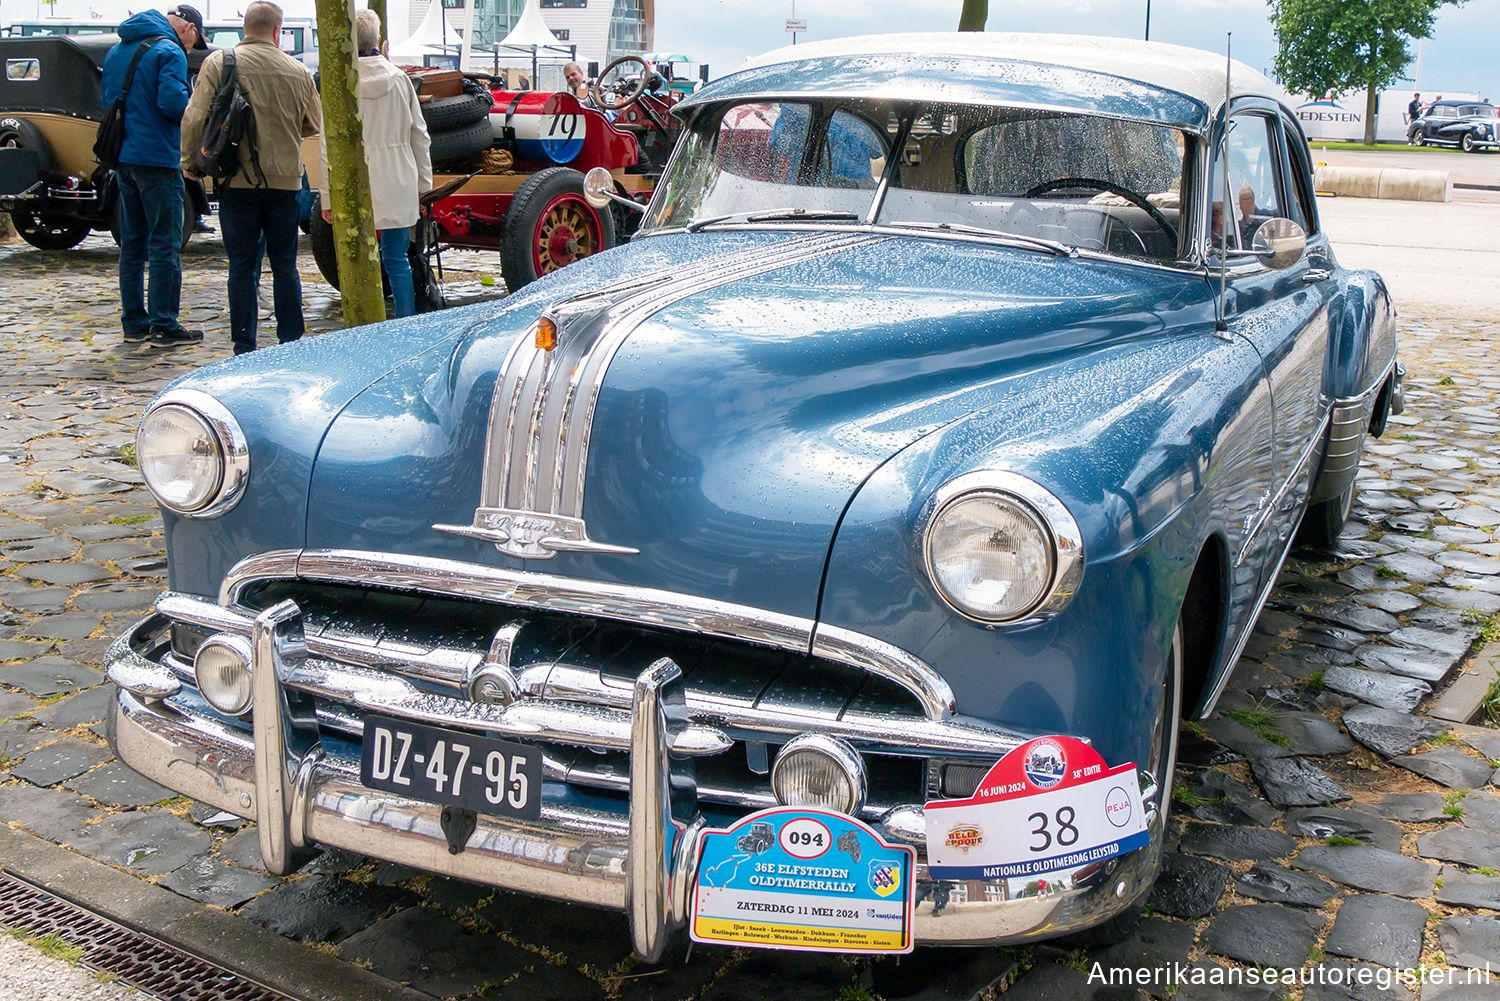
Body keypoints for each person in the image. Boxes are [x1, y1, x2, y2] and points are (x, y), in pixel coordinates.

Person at [181, 0, 321, 355]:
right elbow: (314, 123)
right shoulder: (298, 70)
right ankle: (290, 340)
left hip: (236, 178)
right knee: (285, 263)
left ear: (245, 27)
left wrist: (190, 162)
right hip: (286, 180)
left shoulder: (220, 62)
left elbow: (195, 117)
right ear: (278, 30)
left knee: (242, 264)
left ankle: (244, 342)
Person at [319, 9, 432, 318]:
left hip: (357, 179)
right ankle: (404, 320)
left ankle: (367, 318)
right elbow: (419, 136)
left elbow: (328, 144)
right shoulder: (401, 81)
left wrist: (327, 196)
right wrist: (424, 188)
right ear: (379, 41)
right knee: (397, 257)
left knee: (357, 257)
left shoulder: (341, 85)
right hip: (399, 176)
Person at [101, 6, 201, 348]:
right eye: (194, 39)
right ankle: (164, 323)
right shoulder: (169, 50)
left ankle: (133, 321)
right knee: (164, 243)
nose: (191, 46)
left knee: (132, 244)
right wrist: (196, 102)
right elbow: (173, 103)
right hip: (158, 158)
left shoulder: (118, 49)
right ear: (186, 29)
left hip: (123, 159)